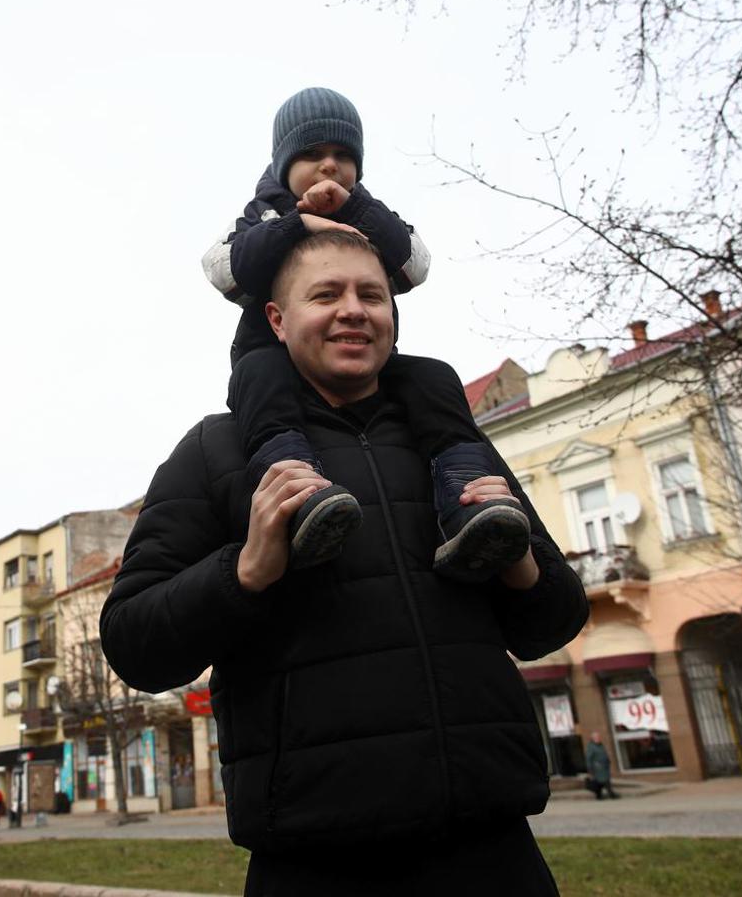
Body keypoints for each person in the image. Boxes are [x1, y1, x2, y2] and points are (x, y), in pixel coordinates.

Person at [103, 231, 589, 895]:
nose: (354, 311)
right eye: (325, 294)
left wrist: (520, 565)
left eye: (372, 295)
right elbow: (134, 643)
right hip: (314, 859)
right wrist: (244, 571)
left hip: (493, 846)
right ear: (276, 319)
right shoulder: (215, 453)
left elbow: (552, 623)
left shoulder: (454, 450)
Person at [203, 87, 531, 582]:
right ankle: (300, 494)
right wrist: (297, 223)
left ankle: (465, 500)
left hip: (370, 363)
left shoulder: (370, 212)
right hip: (274, 359)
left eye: (342, 156)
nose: (328, 167)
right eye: (311, 155)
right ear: (281, 165)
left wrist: (355, 211)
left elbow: (415, 265)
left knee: (433, 378)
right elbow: (223, 271)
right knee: (258, 375)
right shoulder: (263, 215)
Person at [585, 731, 620, 800]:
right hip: (597, 768)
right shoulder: (591, 747)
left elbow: (604, 754)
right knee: (605, 781)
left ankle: (599, 795)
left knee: (600, 782)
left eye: (599, 737)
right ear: (593, 738)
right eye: (597, 737)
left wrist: (608, 761)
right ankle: (611, 794)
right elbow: (588, 759)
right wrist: (590, 769)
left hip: (604, 767)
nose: (599, 738)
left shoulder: (600, 745)